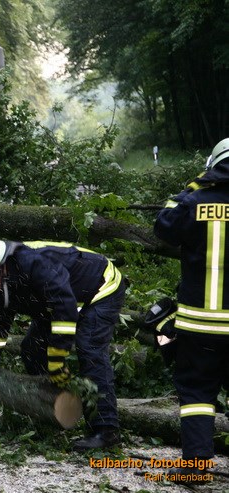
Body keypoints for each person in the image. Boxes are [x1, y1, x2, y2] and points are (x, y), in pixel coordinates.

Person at [0, 233, 126, 451]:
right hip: (54, 302)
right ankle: (51, 405)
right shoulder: (1, 286)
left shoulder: (34, 264)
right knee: (32, 349)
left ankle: (106, 431)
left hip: (100, 286)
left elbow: (65, 307)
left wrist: (57, 360)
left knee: (90, 349)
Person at [153, 137, 229, 483]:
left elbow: (163, 225)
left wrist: (193, 187)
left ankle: (197, 468)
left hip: (199, 324)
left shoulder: (194, 201)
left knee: (197, 392)